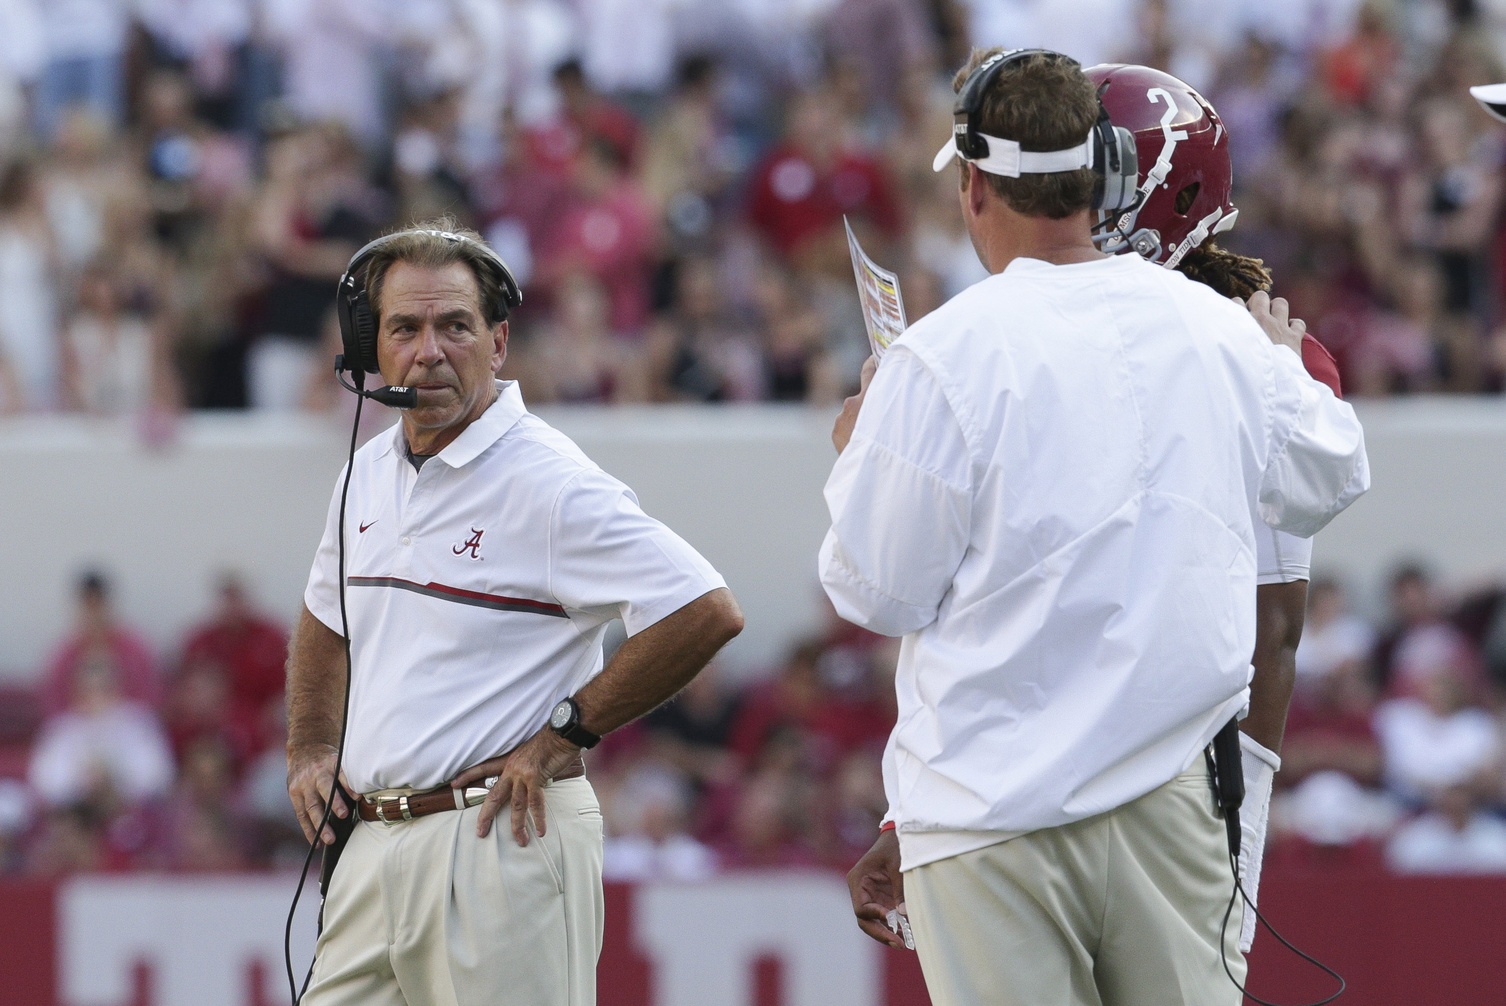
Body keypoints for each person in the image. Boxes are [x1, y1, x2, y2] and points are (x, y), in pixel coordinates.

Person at [823, 50, 1369, 1006]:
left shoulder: (942, 356)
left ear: (978, 186)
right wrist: (1279, 364)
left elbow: (877, 591)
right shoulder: (1223, 333)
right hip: (1172, 797)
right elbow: (1332, 472)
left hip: (991, 815)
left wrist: (859, 454)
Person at [286, 220, 743, 1005]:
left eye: (454, 326)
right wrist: (309, 747)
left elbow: (705, 609)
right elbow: (326, 618)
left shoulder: (550, 481)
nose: (429, 349)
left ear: (497, 343)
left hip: (501, 838)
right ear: (372, 348)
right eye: (404, 327)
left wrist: (564, 733)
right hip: (369, 844)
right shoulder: (364, 471)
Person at [1086, 60, 1347, 954]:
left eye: (1077, 174)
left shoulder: (1254, 354)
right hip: (1054, 752)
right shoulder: (1040, 328)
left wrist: (1246, 797)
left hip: (1180, 767)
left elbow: (1274, 620)